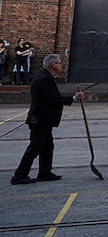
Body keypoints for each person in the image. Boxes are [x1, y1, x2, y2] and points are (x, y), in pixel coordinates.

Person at [11, 54, 84, 185]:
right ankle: (19, 175)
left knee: (47, 147)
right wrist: (73, 98)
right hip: (40, 119)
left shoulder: (45, 77)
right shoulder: (45, 79)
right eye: (60, 63)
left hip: (43, 119)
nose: (61, 65)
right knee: (35, 147)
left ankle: (44, 172)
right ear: (53, 65)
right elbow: (54, 99)